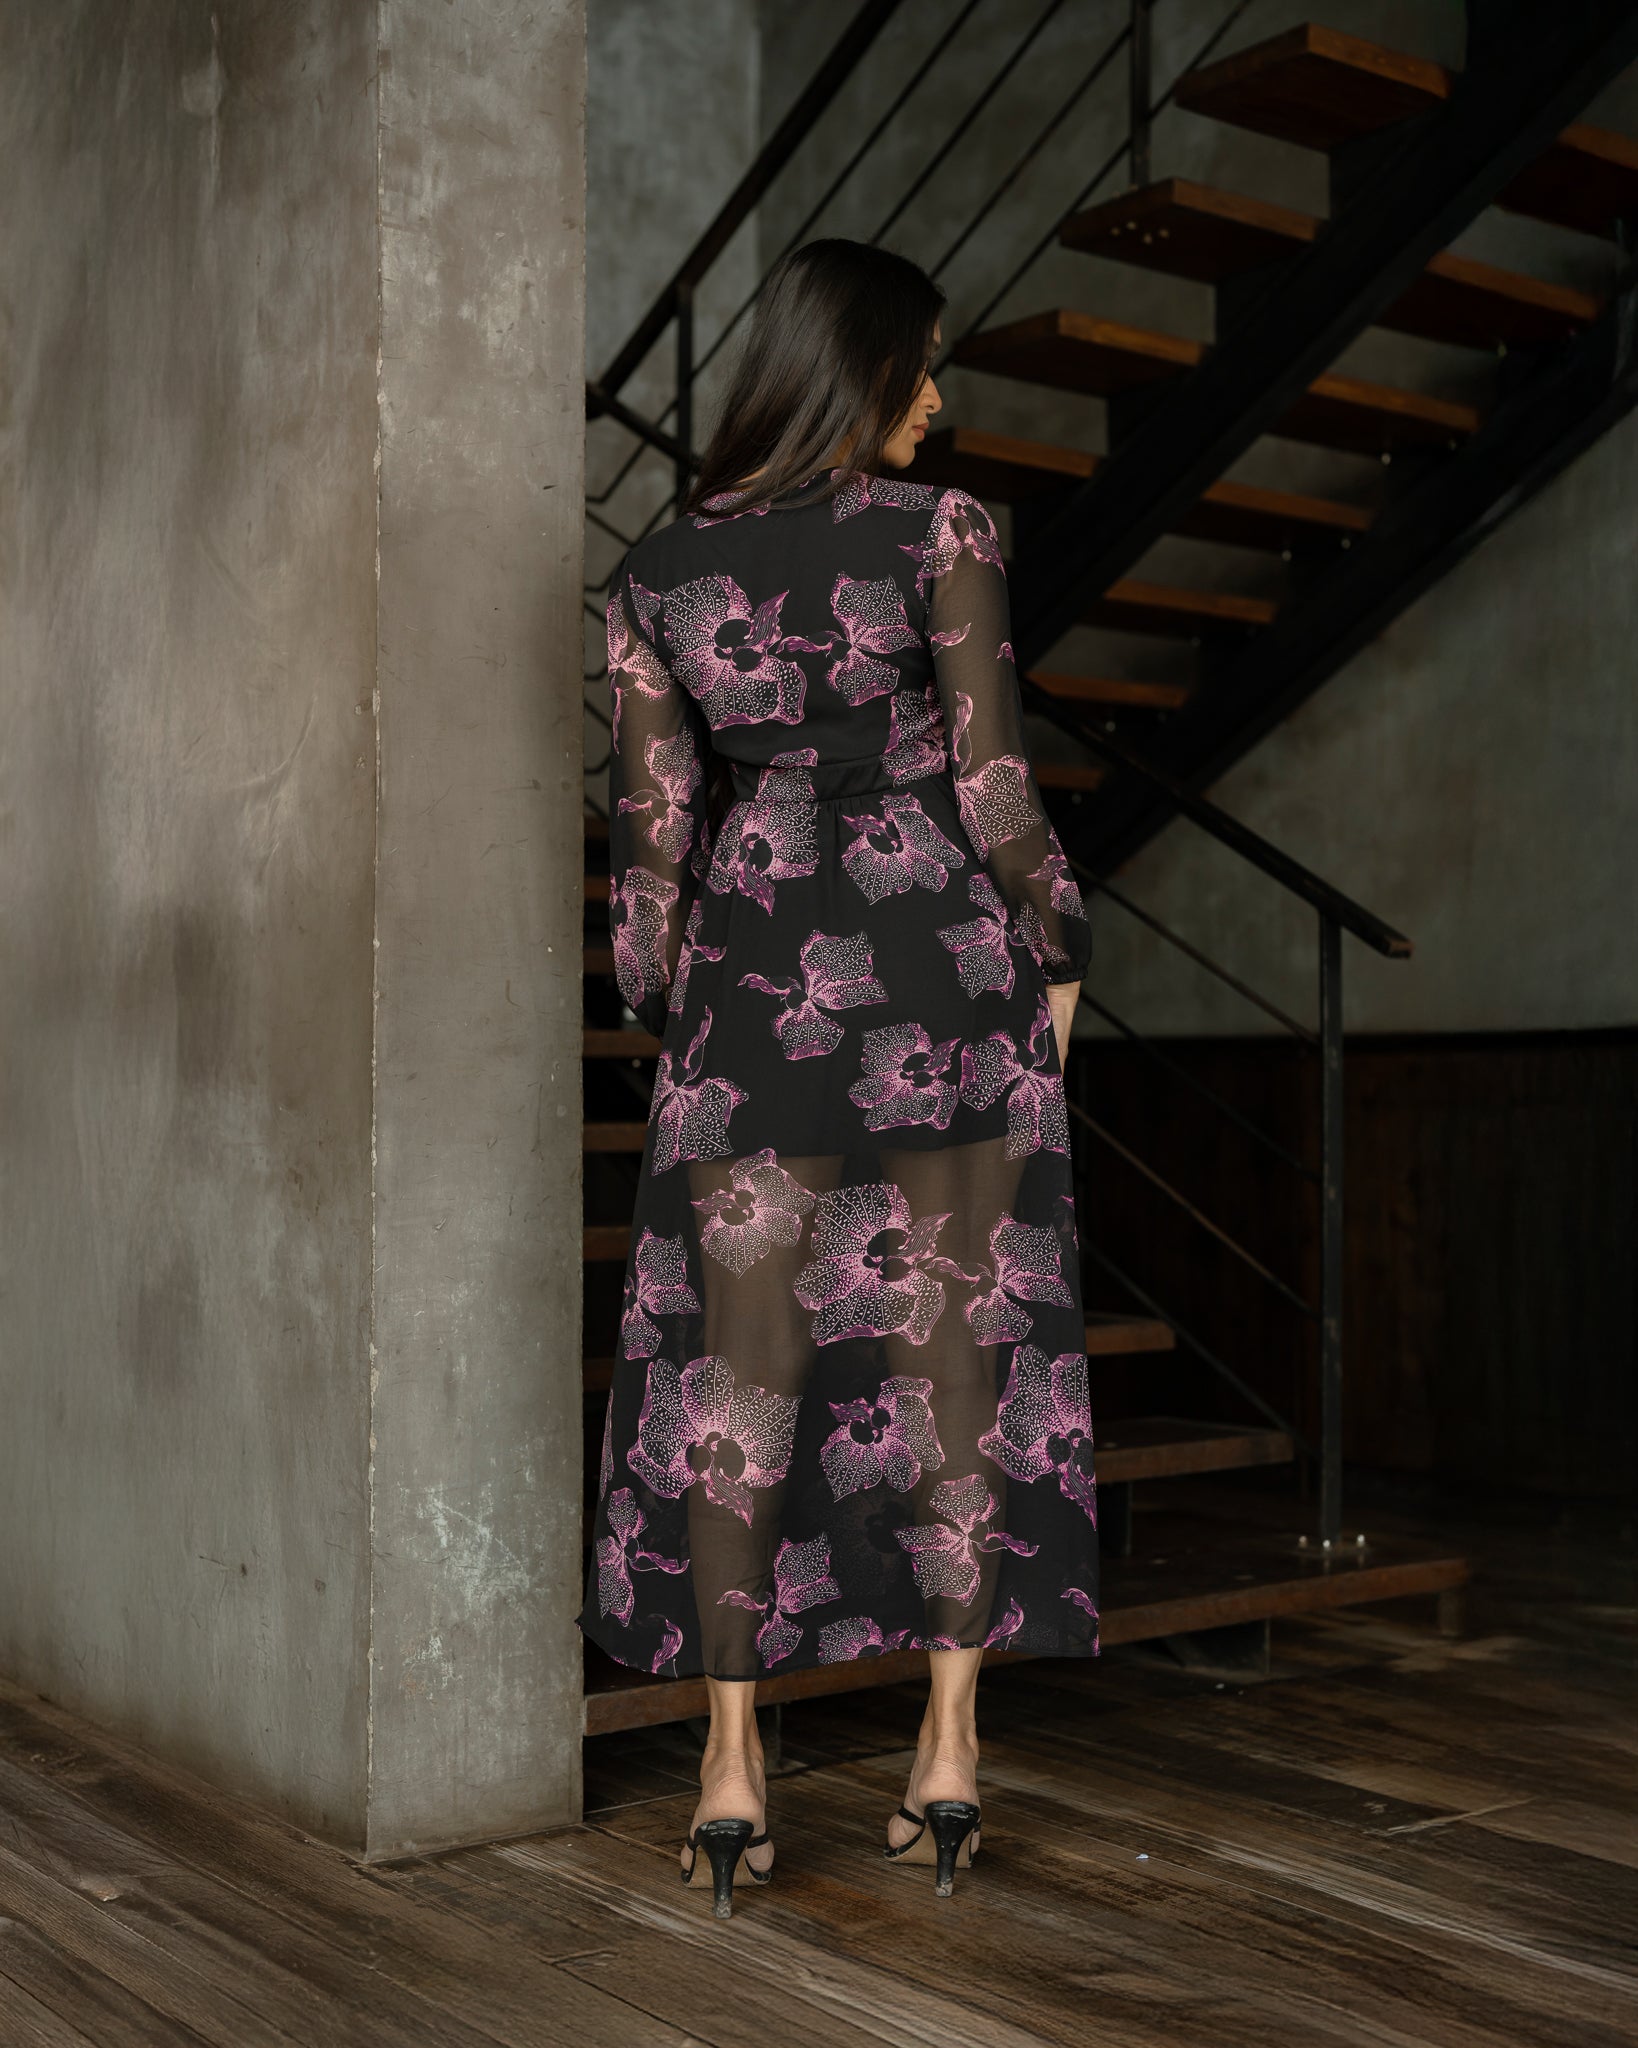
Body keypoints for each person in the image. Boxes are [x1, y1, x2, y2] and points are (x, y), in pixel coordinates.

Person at [578, 237, 1099, 1918]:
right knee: (956, 1353)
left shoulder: (656, 572)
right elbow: (992, 779)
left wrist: (667, 1001)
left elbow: (651, 836)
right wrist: (1060, 942)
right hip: (937, 964)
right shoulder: (940, 531)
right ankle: (945, 1753)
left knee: (738, 1374)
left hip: (753, 990)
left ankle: (729, 1777)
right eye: (923, 365)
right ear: (860, 367)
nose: (936, 399)